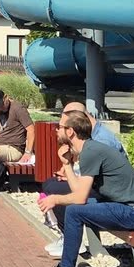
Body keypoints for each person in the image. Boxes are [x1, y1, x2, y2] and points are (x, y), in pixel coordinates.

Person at [31, 111, 134, 267]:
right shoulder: (89, 149)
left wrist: (55, 198)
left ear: (71, 132)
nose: (57, 130)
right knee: (72, 208)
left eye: (60, 127)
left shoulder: (91, 151)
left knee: (74, 210)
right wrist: (67, 165)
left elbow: (80, 198)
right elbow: (78, 192)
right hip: (130, 208)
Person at [36, 99, 125, 241]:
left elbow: (100, 174)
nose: (60, 130)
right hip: (97, 184)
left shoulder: (102, 140)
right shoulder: (92, 134)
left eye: (63, 125)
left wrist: (73, 175)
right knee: (50, 183)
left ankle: (69, 239)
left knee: (56, 189)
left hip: (109, 191)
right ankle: (64, 234)